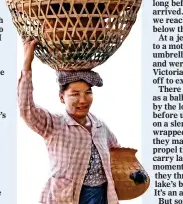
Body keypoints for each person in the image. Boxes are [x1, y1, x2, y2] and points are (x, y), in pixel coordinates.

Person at [18, 37, 120, 204]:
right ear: (61, 97)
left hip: (101, 196)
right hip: (66, 197)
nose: (83, 100)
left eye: (88, 92)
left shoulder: (100, 126)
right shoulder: (54, 125)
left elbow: (118, 153)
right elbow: (25, 109)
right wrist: (27, 64)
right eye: (75, 94)